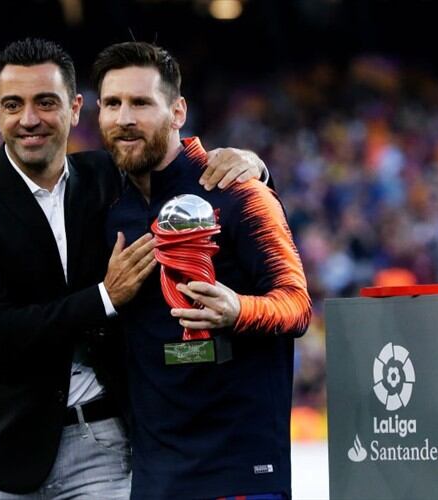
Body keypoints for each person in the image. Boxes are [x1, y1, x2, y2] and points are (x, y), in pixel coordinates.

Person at [0, 38, 269, 499]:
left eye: (45, 103)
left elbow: (176, 163)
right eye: (14, 105)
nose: (29, 119)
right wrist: (105, 298)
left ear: (74, 108)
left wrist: (252, 165)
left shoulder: (108, 177)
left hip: (103, 446)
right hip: (4, 455)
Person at [93, 41, 312, 499]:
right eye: (112, 104)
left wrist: (239, 310)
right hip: (155, 479)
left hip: (241, 472)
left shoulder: (238, 190)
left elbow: (296, 304)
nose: (124, 118)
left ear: (177, 112)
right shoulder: (108, 204)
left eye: (140, 103)